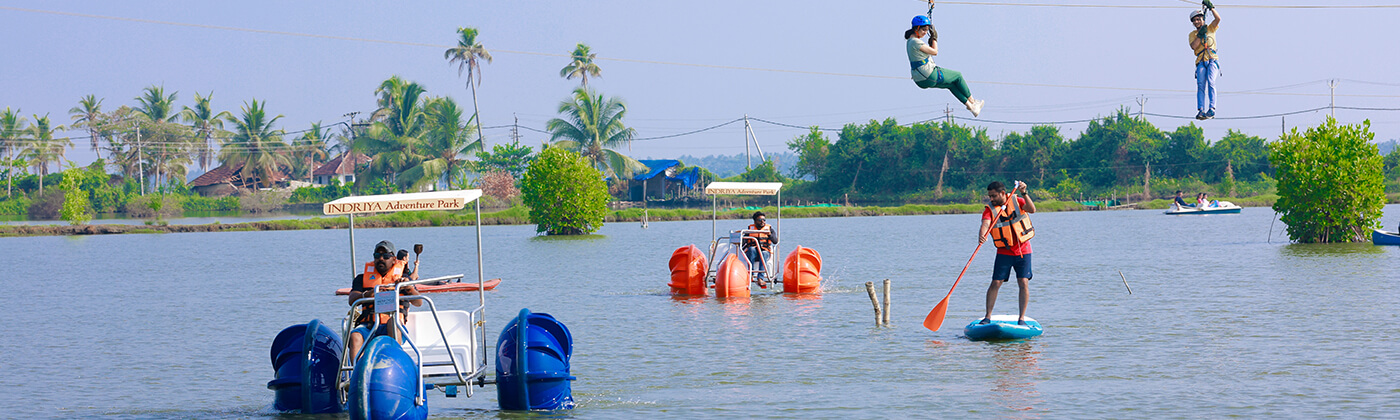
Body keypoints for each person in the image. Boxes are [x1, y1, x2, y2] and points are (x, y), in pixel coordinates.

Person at [346, 240, 422, 363]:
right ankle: (357, 373)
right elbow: (352, 299)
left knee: (393, 323)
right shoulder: (361, 279)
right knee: (355, 336)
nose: (381, 259)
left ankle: (394, 364)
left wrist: (407, 287)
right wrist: (367, 294)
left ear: (393, 259)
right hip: (369, 326)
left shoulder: (404, 279)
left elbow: (419, 302)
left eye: (385, 256)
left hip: (393, 325)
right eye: (377, 256)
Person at [979, 181, 1036, 325]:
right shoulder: (989, 209)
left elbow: (1032, 209)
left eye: (994, 196)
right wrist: (982, 234)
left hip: (1023, 250)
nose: (991, 199)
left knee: (1023, 282)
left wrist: (1024, 193)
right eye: (989, 196)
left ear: (1003, 194)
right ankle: (987, 317)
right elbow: (985, 223)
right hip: (1004, 252)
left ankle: (1021, 318)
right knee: (996, 283)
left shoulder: (1017, 200)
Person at [906, 15, 985, 117]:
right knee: (958, 76)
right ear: (916, 28)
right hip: (929, 75)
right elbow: (935, 52)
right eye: (923, 30)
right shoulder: (915, 41)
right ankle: (973, 102)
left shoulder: (909, 41)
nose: (925, 32)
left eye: (927, 30)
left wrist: (931, 40)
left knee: (951, 85)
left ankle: (970, 107)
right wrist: (934, 38)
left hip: (920, 80)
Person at [1189, 1, 1221, 120]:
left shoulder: (1210, 28)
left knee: (1211, 82)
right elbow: (1194, 46)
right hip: (1201, 61)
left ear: (1203, 19)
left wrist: (1211, 8)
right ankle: (1201, 109)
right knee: (1201, 85)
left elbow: (1218, 19)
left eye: (1199, 19)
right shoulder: (1193, 34)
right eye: (1195, 20)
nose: (1197, 22)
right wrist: (1200, 35)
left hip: (1212, 60)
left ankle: (1212, 108)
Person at [742, 211, 778, 288]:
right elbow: (743, 242)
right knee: (751, 249)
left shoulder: (769, 229)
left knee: (764, 253)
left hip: (764, 253)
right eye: (760, 220)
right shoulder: (750, 229)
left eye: (764, 220)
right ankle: (750, 275)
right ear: (755, 221)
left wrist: (770, 235)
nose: (762, 222)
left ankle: (760, 278)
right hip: (753, 254)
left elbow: (775, 241)